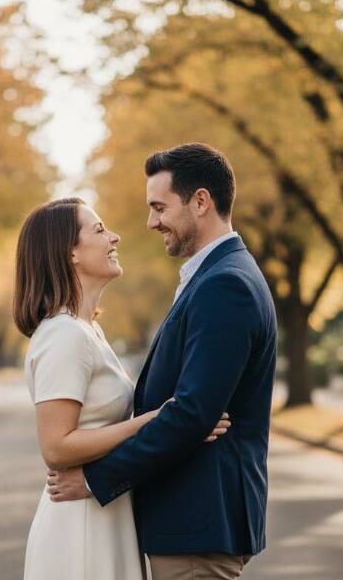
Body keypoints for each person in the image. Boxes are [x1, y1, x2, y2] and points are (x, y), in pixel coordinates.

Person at [46, 143, 278, 580]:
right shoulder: (214, 277)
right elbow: (191, 412)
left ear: (201, 201)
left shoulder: (224, 284)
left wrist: (96, 480)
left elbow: (192, 413)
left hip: (198, 523)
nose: (151, 222)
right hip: (191, 524)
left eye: (159, 207)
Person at [14, 197, 231, 580]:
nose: (114, 237)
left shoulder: (88, 331)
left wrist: (179, 426)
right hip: (79, 525)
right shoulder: (63, 335)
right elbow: (56, 447)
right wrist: (155, 420)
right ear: (71, 254)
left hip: (106, 511)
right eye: (99, 230)